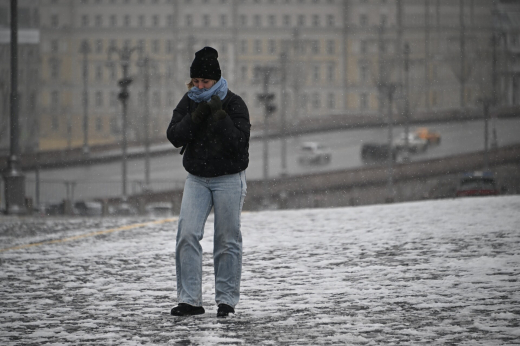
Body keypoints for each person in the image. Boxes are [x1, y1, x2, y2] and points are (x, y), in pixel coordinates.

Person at [166, 46, 250, 318]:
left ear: (216, 80)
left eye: (206, 82)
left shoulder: (234, 104)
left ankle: (226, 302)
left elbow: (239, 145)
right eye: (196, 81)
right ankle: (189, 300)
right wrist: (196, 116)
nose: (200, 86)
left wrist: (219, 115)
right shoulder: (189, 101)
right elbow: (174, 135)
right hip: (197, 179)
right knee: (187, 234)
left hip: (228, 179)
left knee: (226, 240)